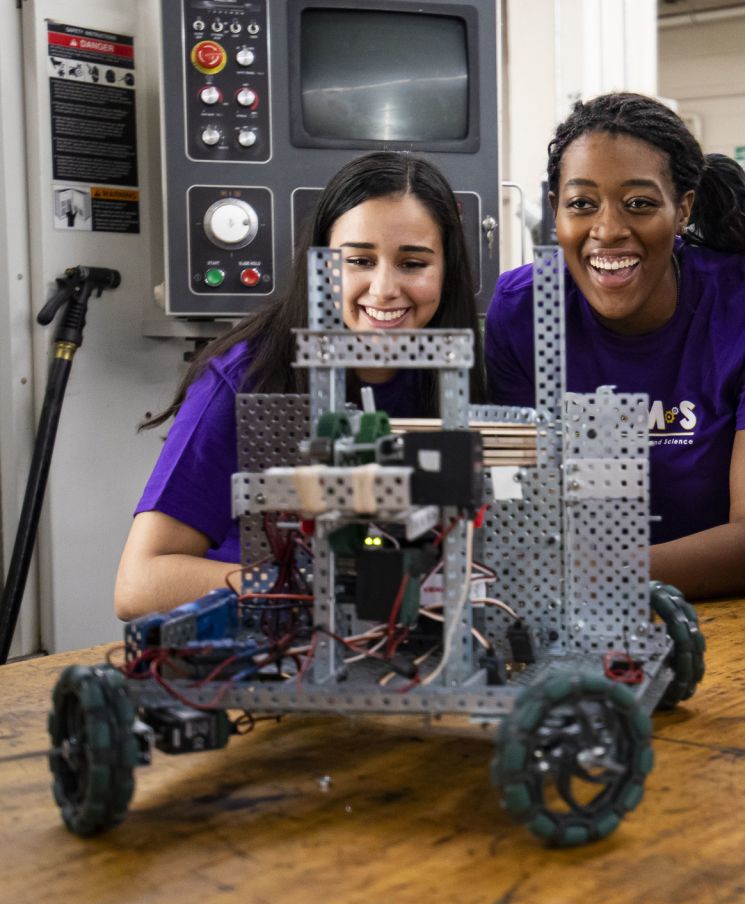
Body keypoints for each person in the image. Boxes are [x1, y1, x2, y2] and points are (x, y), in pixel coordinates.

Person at [114, 152, 486, 620]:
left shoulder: (456, 374)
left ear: (447, 272)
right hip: (272, 647)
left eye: (412, 263)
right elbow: (139, 584)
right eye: (358, 260)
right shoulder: (244, 378)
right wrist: (317, 586)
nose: (384, 288)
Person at [484, 92, 745, 599]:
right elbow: (519, 504)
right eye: (581, 204)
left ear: (682, 208)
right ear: (556, 212)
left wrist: (579, 575)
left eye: (639, 204)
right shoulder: (521, 311)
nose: (608, 230)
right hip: (585, 607)